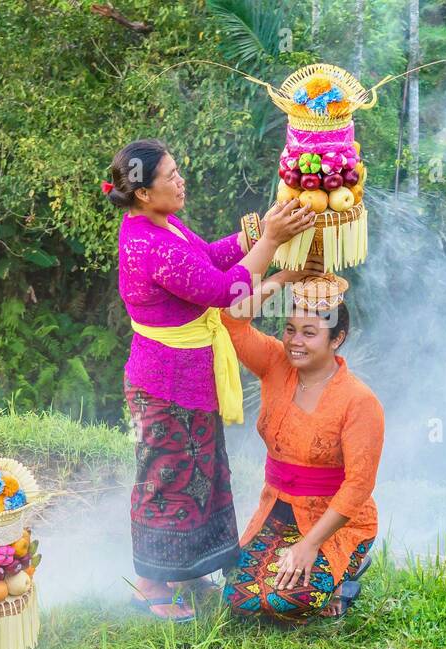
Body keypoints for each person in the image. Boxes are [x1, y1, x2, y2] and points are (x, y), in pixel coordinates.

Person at [108, 138, 316, 621]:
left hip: (189, 378)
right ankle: (149, 585)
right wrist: (271, 242)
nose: (181, 182)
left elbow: (211, 257)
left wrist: (264, 231)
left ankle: (188, 570)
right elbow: (223, 291)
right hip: (162, 383)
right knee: (166, 477)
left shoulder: (165, 224)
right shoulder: (147, 243)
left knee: (201, 476)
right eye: (171, 177)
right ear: (142, 193)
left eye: (178, 172)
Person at [219, 275, 382, 621]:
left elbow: (359, 486)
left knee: (287, 601)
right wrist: (285, 277)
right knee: (239, 599)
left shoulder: (359, 401)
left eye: (309, 333)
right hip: (278, 511)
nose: (295, 341)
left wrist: (309, 545)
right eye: (290, 329)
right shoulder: (275, 362)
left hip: (335, 522)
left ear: (337, 338)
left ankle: (345, 577)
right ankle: (313, 570)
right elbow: (231, 319)